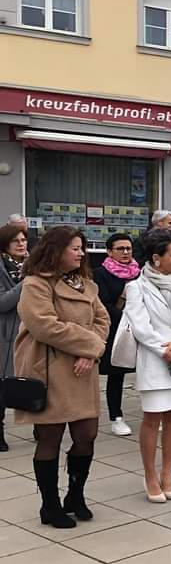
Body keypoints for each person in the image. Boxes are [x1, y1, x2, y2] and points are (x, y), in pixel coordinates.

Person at [14, 226, 110, 528]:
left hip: (83, 369)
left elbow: (103, 319)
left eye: (82, 248)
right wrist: (89, 345)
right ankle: (50, 504)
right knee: (49, 438)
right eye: (75, 248)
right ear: (56, 250)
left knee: (87, 435)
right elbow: (44, 325)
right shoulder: (35, 283)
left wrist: (90, 352)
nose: (82, 254)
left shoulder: (86, 284)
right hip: (50, 370)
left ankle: (75, 495)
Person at [124, 229, 171, 503]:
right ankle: (149, 475)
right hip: (155, 361)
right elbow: (141, 328)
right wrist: (168, 351)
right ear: (156, 258)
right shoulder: (136, 287)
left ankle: (167, 474)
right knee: (152, 418)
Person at [94, 233, 139, 437]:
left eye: (128, 248)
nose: (125, 252)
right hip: (115, 329)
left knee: (147, 371)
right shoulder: (101, 273)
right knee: (116, 374)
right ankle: (116, 417)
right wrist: (129, 316)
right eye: (120, 248)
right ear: (109, 251)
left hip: (140, 328)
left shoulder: (138, 272)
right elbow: (104, 304)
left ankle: (154, 413)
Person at [0, 222, 30, 451]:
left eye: (23, 240)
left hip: (31, 331)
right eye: (15, 241)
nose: (21, 244)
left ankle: (42, 426)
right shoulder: (2, 268)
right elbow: (3, 303)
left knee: (37, 379)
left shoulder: (32, 264)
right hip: (5, 334)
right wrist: (26, 282)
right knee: (3, 383)